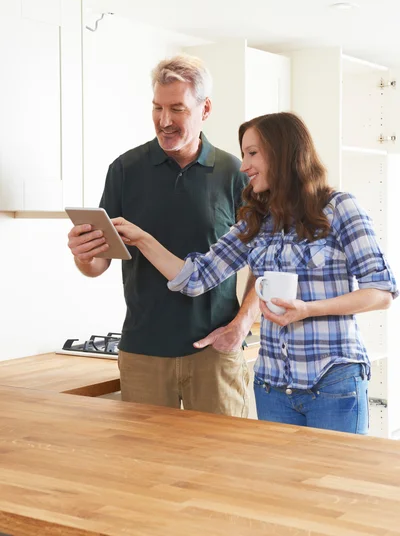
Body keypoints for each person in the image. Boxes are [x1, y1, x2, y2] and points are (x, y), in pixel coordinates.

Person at [111, 111, 398, 435]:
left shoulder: (339, 207)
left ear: (282, 152)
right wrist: (143, 239)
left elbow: (381, 291)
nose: (244, 165)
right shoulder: (257, 221)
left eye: (252, 153)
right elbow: (194, 277)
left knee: (335, 484)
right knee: (278, 487)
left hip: (333, 382)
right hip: (273, 387)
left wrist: (308, 310)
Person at [68, 54, 260, 417]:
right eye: (157, 107)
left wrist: (240, 326)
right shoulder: (125, 170)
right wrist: (82, 255)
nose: (164, 120)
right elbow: (98, 264)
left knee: (222, 465)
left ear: (205, 108)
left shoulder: (235, 174)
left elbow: (263, 263)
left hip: (215, 353)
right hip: (143, 352)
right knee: (144, 469)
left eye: (177, 108)